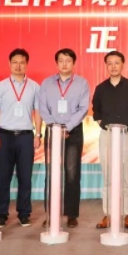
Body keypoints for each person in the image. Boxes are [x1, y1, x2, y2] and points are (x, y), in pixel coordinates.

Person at [0, 48, 42, 228]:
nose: (18, 66)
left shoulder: (35, 86)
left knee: (25, 177)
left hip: (26, 137)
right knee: (3, 177)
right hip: (5, 136)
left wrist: (38, 134)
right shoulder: (1, 86)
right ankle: (1, 214)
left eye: (22, 62)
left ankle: (24, 213)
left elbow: (38, 112)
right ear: (9, 64)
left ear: (27, 64)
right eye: (15, 62)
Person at [38, 48, 89, 228]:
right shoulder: (47, 83)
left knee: (72, 173)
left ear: (74, 63)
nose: (64, 64)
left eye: (68, 60)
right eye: (61, 60)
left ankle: (71, 214)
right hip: (52, 131)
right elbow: (42, 108)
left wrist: (67, 127)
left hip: (73, 132)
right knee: (51, 173)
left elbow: (83, 108)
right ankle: (50, 213)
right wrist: (55, 127)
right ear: (56, 63)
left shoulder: (82, 83)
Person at [92, 51, 128, 230]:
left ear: (123, 64)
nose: (113, 66)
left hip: (127, 135)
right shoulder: (101, 88)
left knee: (127, 176)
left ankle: (127, 214)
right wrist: (103, 124)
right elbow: (96, 110)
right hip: (107, 135)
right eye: (110, 63)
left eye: (117, 63)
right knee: (108, 176)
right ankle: (108, 214)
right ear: (106, 65)